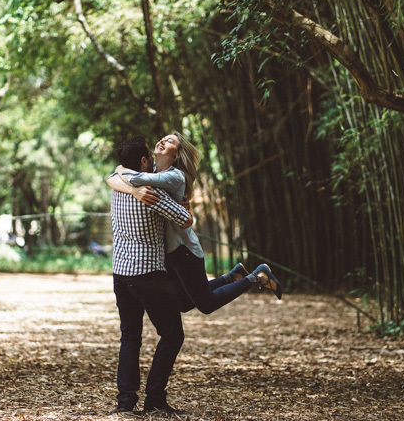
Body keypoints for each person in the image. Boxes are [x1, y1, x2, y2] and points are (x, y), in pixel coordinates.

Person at [107, 131, 282, 313]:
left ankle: (256, 277)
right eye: (163, 138)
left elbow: (128, 177)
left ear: (177, 155)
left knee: (206, 304)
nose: (162, 141)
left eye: (169, 141)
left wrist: (120, 172)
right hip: (167, 252)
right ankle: (233, 276)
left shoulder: (173, 176)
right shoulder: (151, 170)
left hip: (183, 250)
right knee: (183, 303)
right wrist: (129, 185)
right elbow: (118, 177)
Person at [109, 136, 196, 416]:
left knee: (130, 337)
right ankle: (155, 399)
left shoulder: (119, 184)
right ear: (144, 160)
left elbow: (114, 175)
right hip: (148, 275)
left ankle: (125, 402)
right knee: (172, 335)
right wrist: (185, 205)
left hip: (121, 273)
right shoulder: (150, 192)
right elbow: (185, 219)